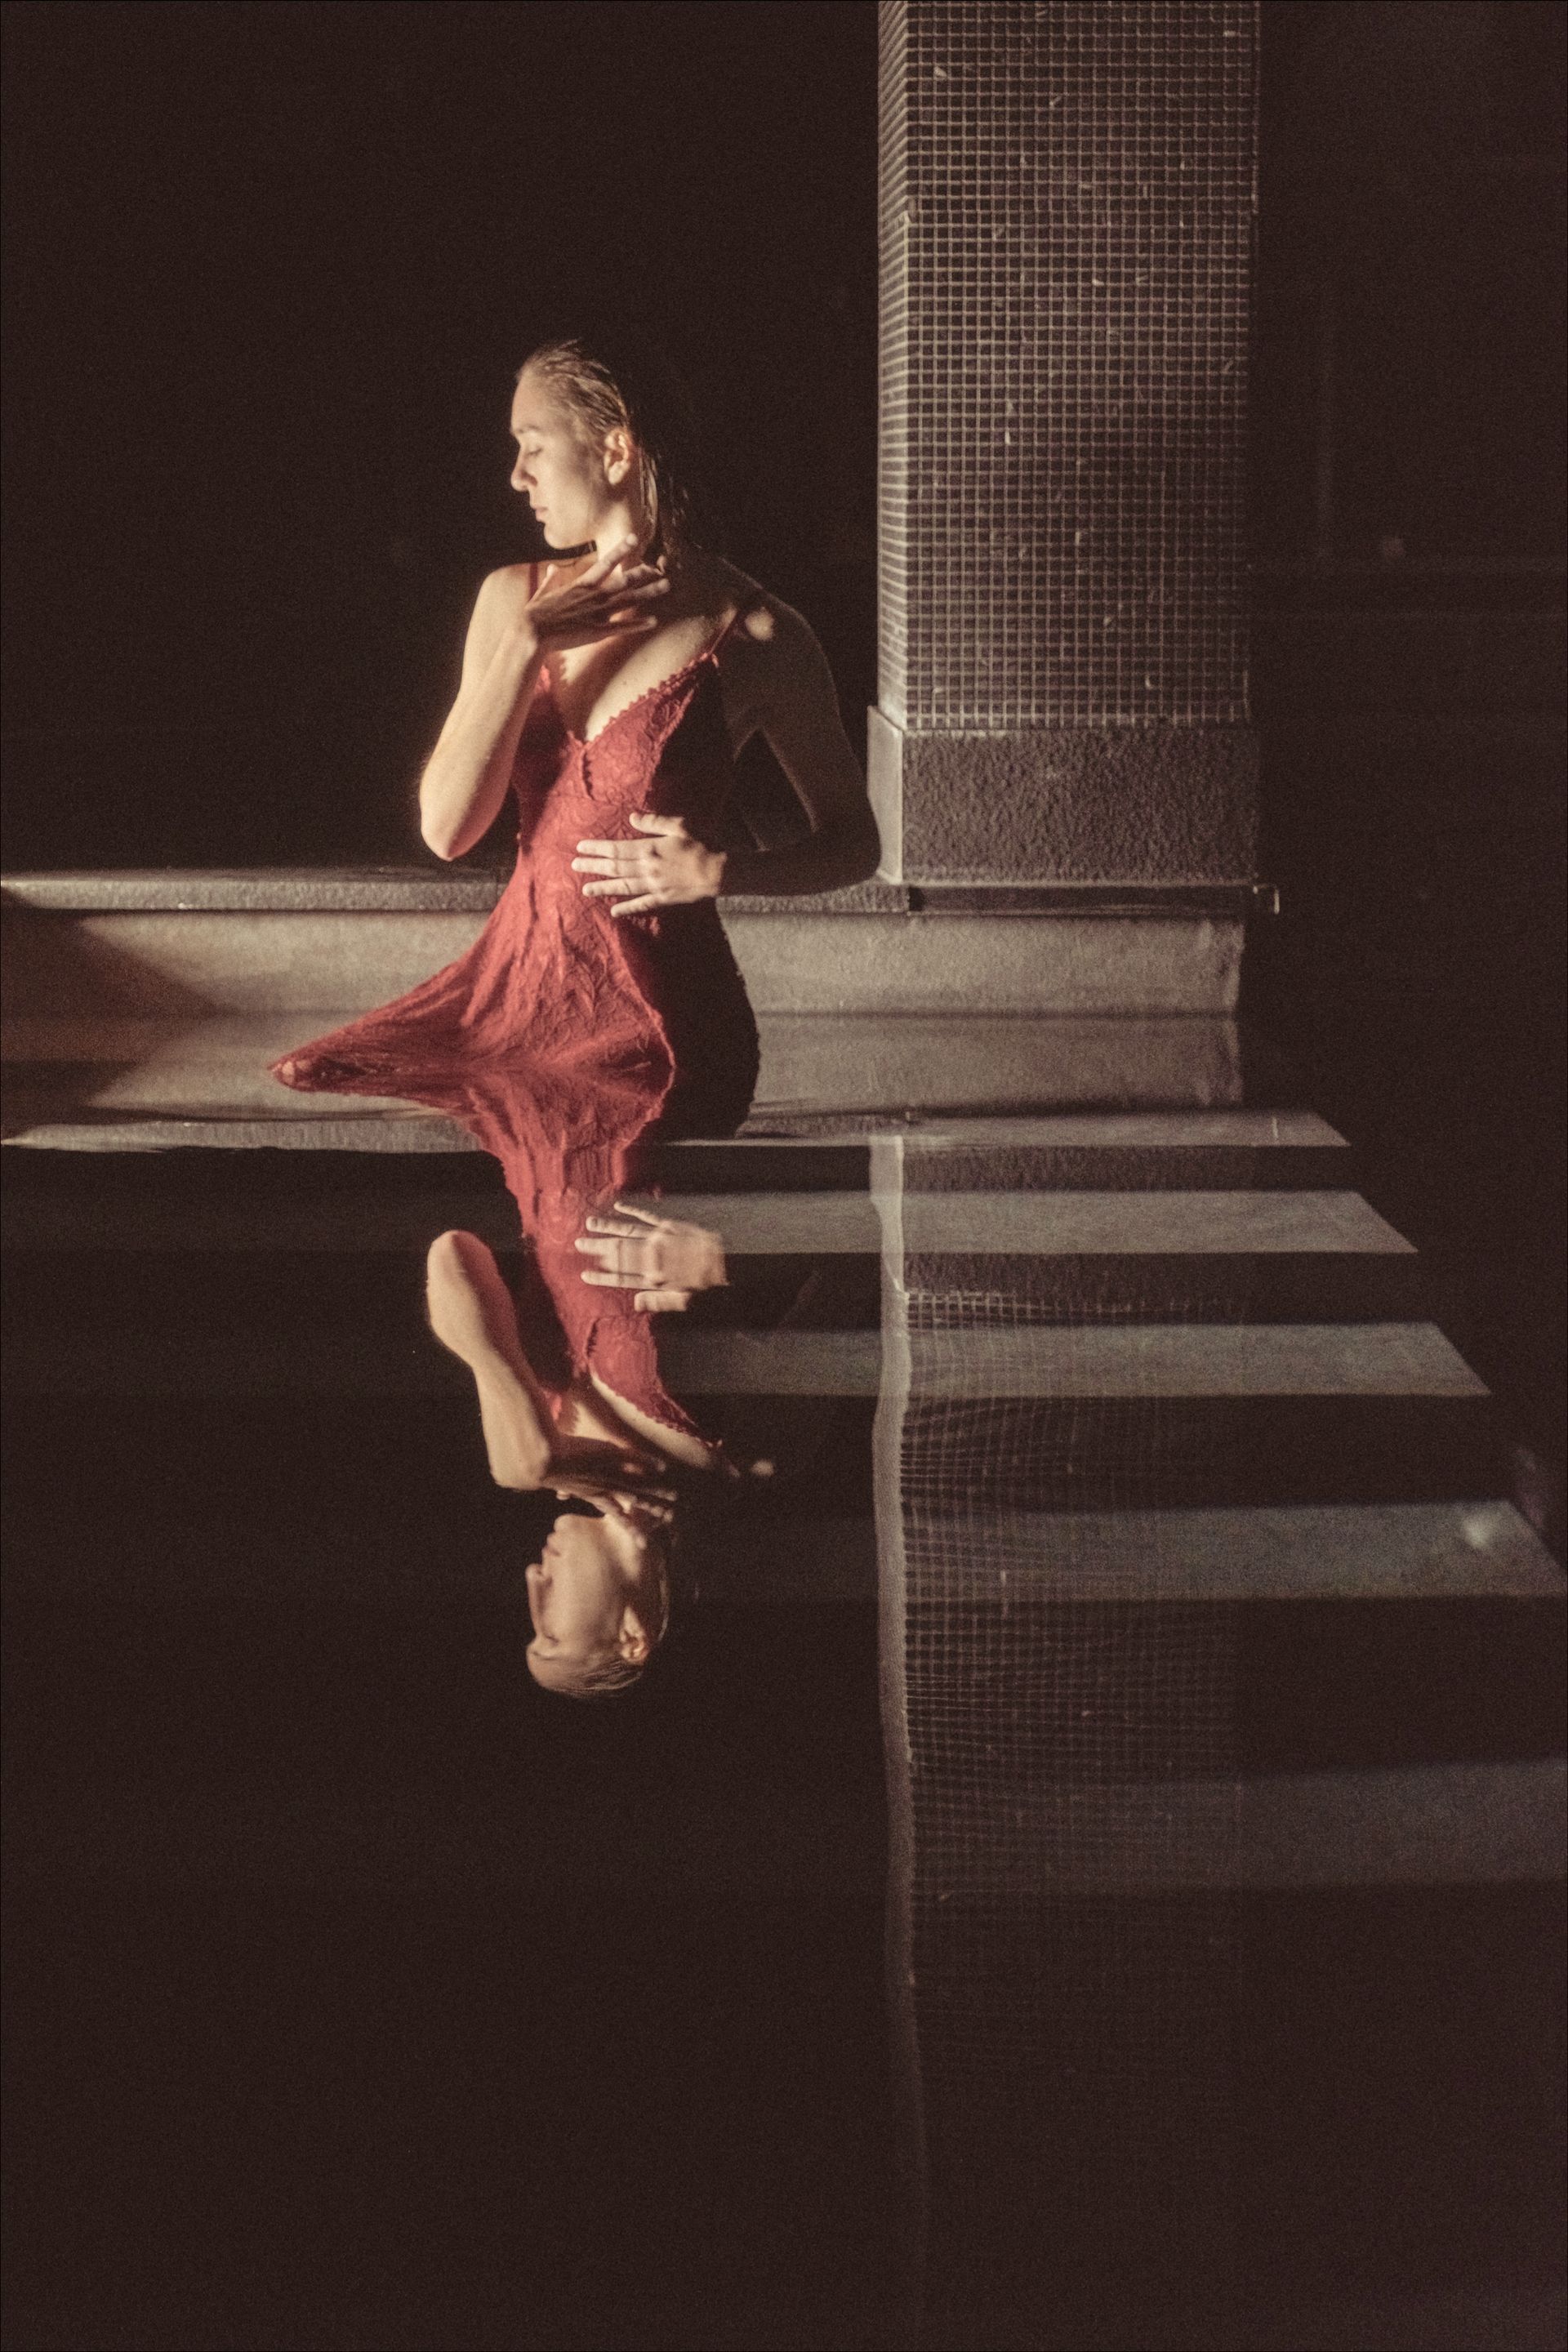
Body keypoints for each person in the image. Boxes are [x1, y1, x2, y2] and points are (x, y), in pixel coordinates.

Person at [271, 331, 880, 1136]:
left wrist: (723, 871)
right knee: (318, 1082)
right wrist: (527, 645)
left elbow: (855, 843)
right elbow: (448, 831)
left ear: (616, 448)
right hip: (509, 1008)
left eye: (532, 446)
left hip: (664, 1031)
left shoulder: (758, 630)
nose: (516, 477)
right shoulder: (511, 600)